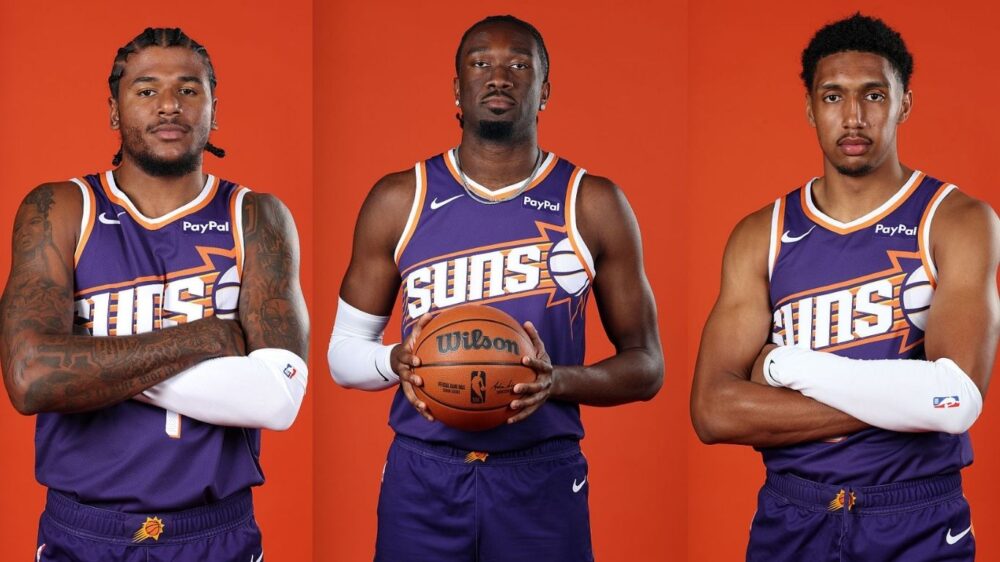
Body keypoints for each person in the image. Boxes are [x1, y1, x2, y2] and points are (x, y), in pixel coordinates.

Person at [328, 14, 663, 561]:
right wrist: (399, 361)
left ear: (545, 89)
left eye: (519, 64)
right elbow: (342, 357)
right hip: (424, 476)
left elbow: (648, 366)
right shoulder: (399, 199)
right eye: (481, 62)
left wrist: (556, 382)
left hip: (541, 474)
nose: (499, 76)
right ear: (457, 86)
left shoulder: (593, 202)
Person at [690, 13, 999, 561]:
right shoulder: (760, 234)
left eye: (874, 95)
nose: (853, 117)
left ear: (904, 103)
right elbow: (713, 412)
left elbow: (952, 403)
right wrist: (908, 400)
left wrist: (790, 371)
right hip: (792, 514)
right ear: (810, 107)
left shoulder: (956, 220)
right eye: (833, 97)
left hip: (915, 518)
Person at [0, 28, 309, 561]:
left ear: (215, 107)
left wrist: (87, 361)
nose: (169, 105)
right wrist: (208, 336)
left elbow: (276, 399)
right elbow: (32, 378)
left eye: (189, 89)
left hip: (214, 530)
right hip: (86, 530)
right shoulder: (60, 208)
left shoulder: (256, 216)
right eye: (146, 90)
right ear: (115, 111)